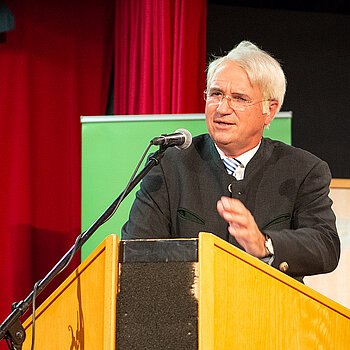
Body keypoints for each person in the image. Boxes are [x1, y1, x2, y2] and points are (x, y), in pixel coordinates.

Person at [121, 41, 340, 282]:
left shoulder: (303, 170)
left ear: (270, 110)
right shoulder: (168, 165)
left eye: (239, 98)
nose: (222, 108)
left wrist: (264, 244)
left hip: (269, 313)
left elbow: (325, 246)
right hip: (189, 312)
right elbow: (136, 250)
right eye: (216, 94)